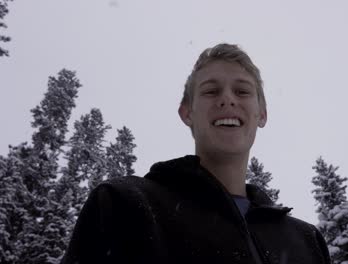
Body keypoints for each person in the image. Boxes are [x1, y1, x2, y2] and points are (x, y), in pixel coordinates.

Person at [61, 43, 331, 264]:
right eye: (211, 91)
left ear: (262, 114)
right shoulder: (125, 205)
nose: (228, 99)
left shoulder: (306, 241)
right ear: (186, 112)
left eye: (242, 91)